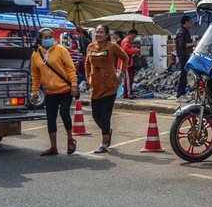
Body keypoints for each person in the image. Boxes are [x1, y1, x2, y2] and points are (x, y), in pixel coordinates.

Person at [30, 27, 80, 156]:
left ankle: (70, 139)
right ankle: (53, 147)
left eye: (50, 37)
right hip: (50, 91)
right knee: (50, 118)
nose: (48, 39)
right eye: (45, 37)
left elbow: (70, 68)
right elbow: (35, 75)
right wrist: (34, 91)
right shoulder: (36, 54)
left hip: (64, 89)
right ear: (39, 40)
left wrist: (74, 84)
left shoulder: (61, 50)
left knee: (64, 113)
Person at [84, 25, 129, 153]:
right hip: (95, 84)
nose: (98, 34)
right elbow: (87, 62)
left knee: (105, 115)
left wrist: (121, 74)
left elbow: (125, 58)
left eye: (101, 32)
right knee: (95, 115)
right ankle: (107, 132)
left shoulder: (112, 46)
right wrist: (88, 77)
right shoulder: (90, 47)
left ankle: (104, 143)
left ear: (107, 34)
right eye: (97, 32)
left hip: (109, 85)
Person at [175, 16, 195, 98]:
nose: (191, 24)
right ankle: (180, 93)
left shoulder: (185, 31)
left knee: (185, 73)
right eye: (190, 22)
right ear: (186, 22)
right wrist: (193, 44)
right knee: (183, 74)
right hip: (183, 56)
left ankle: (182, 91)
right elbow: (182, 44)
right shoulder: (181, 31)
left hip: (186, 55)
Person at [120, 29, 142, 99]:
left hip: (129, 62)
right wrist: (136, 51)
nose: (134, 38)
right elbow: (125, 50)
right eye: (134, 36)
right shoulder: (126, 41)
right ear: (131, 34)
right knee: (129, 79)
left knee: (129, 79)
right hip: (127, 63)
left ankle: (127, 93)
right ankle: (129, 93)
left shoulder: (128, 41)